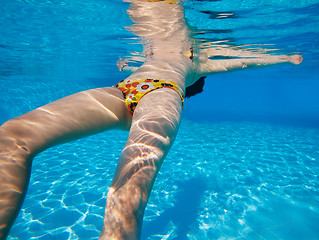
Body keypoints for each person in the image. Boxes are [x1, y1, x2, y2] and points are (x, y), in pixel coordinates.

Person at [0, 0, 302, 239]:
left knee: (130, 190)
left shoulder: (201, 62)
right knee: (13, 136)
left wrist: (285, 59)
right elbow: (248, 59)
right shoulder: (155, 55)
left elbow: (245, 61)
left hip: (164, 96)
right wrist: (125, 64)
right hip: (121, 92)